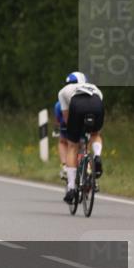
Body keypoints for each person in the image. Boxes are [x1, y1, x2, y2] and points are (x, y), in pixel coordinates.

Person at [57, 71, 105, 203]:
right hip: (96, 103)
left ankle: (71, 188)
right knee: (95, 134)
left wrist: (74, 133)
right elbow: (99, 106)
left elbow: (67, 119)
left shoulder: (63, 91)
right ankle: (97, 156)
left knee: (72, 146)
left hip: (77, 105)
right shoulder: (95, 87)